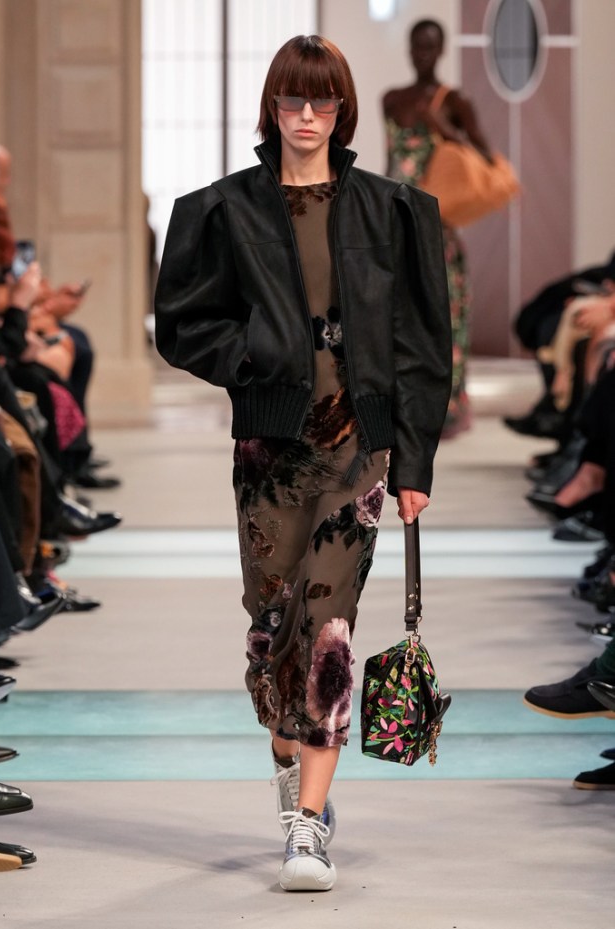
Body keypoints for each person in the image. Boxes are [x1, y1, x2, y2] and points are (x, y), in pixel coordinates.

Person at [155, 34, 451, 892]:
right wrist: (254, 353)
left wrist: (413, 461)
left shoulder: (392, 210)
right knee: (269, 628)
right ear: (274, 107)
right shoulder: (226, 210)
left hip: (358, 449)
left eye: (324, 101)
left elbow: (423, 345)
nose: (309, 115)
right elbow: (180, 323)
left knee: (329, 630)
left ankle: (310, 825)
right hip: (269, 452)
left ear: (343, 109)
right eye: (295, 99)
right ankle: (290, 760)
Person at [382, 19, 492, 437]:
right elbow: (391, 162)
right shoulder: (392, 100)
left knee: (444, 317)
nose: (421, 55)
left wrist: (444, 129)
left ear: (442, 50)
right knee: (397, 316)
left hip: (437, 229)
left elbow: (485, 159)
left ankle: (447, 406)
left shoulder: (454, 100)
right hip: (397, 225)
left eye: (429, 47)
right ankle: (403, 404)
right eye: (416, 46)